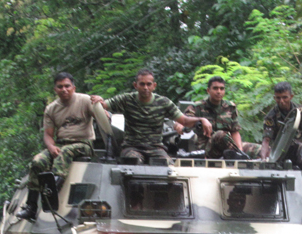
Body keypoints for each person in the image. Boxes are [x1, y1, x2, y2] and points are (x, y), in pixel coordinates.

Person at [16, 72, 97, 221]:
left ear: (73, 87)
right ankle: (31, 207)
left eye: (67, 86)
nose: (64, 89)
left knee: (65, 152)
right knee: (37, 161)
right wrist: (51, 147)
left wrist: (102, 108)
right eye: (60, 87)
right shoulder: (52, 109)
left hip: (83, 144)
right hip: (60, 144)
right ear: (55, 89)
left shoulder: (85, 100)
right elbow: (48, 134)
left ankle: (52, 191)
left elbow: (101, 114)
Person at [91, 69, 213, 165]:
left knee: (168, 168)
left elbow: (184, 121)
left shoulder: (163, 102)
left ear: (154, 86)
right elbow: (104, 105)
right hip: (132, 147)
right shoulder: (126, 99)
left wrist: (201, 119)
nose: (145, 88)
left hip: (156, 148)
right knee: (131, 165)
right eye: (142, 84)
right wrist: (99, 101)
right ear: (135, 85)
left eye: (149, 84)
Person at [174, 76, 260, 159]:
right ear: (208, 90)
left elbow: (234, 131)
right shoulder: (197, 107)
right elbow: (183, 120)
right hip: (207, 148)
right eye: (215, 88)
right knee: (220, 134)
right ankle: (237, 155)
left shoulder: (230, 107)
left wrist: (240, 150)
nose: (219, 91)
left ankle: (239, 155)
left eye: (221, 88)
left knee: (259, 150)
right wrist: (181, 126)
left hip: (227, 146)